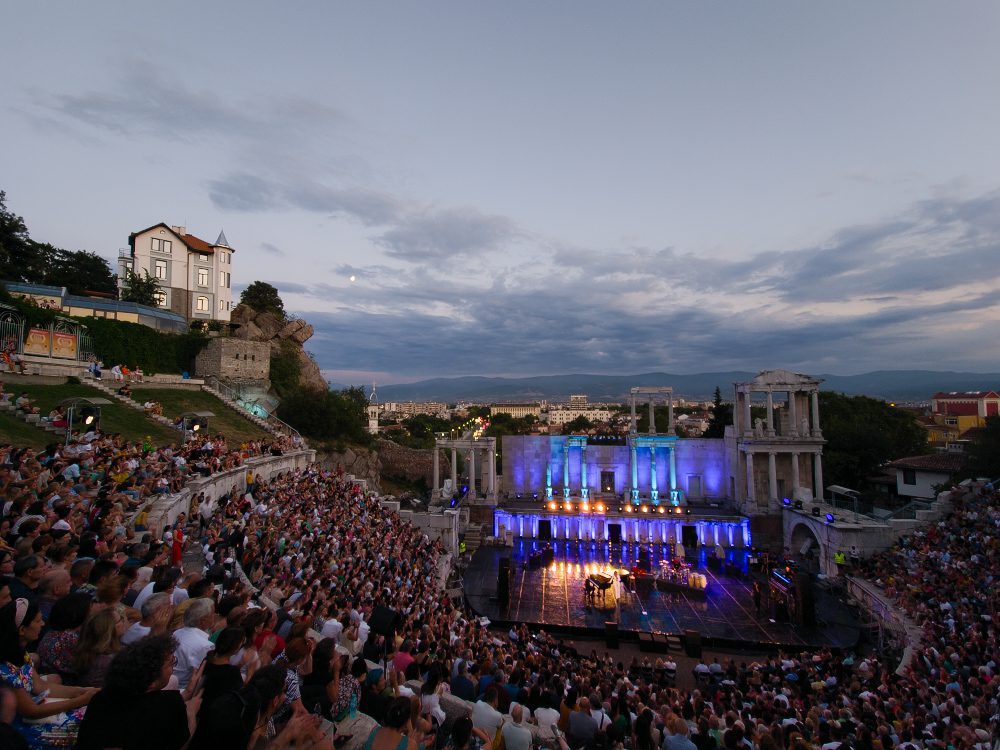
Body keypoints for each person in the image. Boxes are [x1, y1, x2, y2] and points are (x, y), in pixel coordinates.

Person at [0, 599, 97, 749]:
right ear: (22, 630)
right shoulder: (6, 670)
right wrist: (81, 700)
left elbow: (40, 686)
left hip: (37, 710)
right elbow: (31, 711)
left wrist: (81, 691)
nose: (43, 624)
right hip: (24, 728)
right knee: (90, 718)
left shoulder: (21, 654)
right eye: (38, 621)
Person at [76, 634, 198, 750]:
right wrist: (191, 715)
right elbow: (181, 744)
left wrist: (187, 692)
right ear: (151, 682)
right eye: (171, 663)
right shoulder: (170, 704)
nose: (173, 669)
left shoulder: (100, 699)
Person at [73, 607, 128, 688]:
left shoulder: (87, 650)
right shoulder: (107, 661)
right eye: (121, 619)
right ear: (110, 630)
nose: (124, 620)